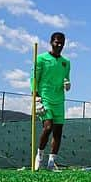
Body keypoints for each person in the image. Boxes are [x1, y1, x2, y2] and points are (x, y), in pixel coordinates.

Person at [33, 31, 71, 171]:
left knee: (58, 132)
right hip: (45, 98)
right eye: (56, 42)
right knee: (48, 127)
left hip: (59, 100)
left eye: (61, 43)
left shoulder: (65, 63)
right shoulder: (41, 58)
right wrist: (36, 97)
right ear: (51, 42)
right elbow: (34, 78)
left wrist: (67, 85)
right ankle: (39, 156)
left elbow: (66, 80)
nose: (59, 45)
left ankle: (51, 163)